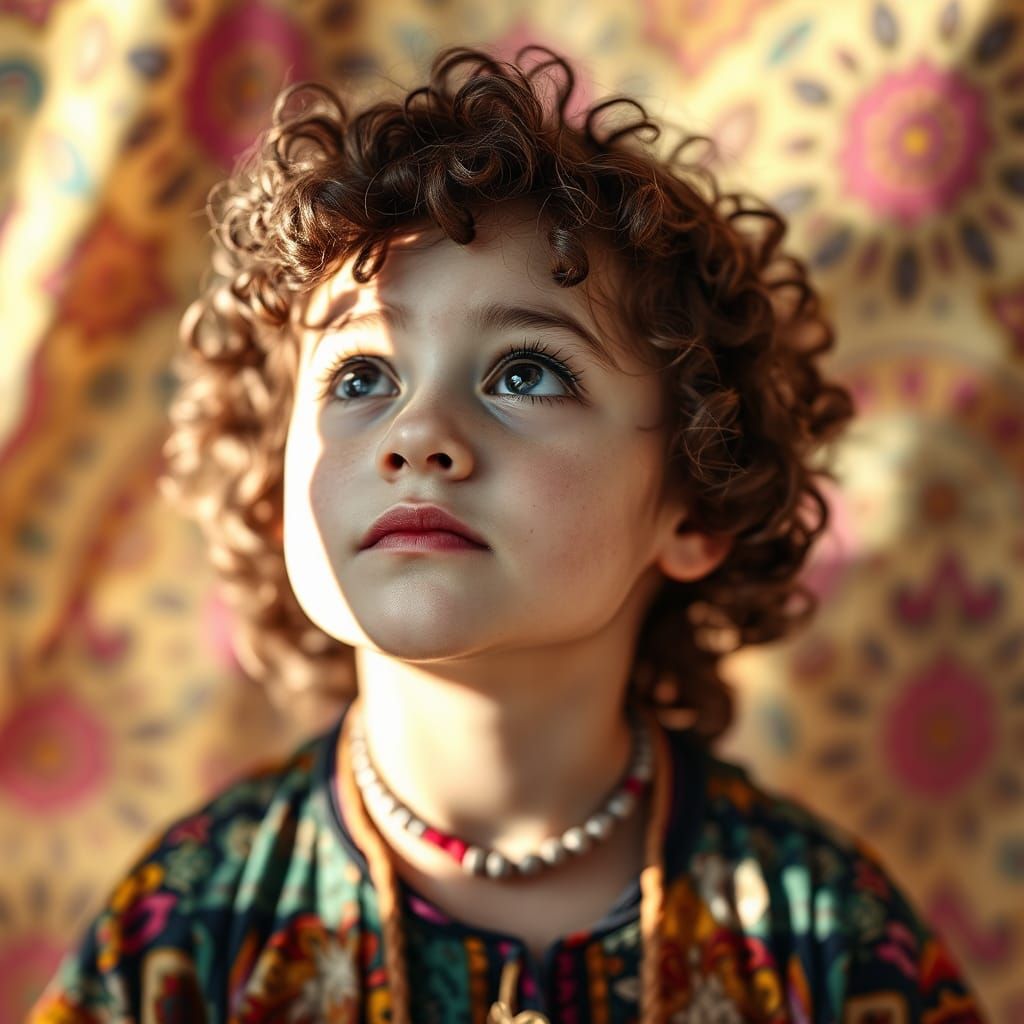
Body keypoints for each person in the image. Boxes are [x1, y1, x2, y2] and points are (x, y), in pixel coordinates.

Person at [28, 45, 985, 1024]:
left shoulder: (827, 937)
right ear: (282, 485)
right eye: (360, 378)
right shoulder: (186, 928)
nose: (417, 435)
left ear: (694, 504)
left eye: (524, 372)